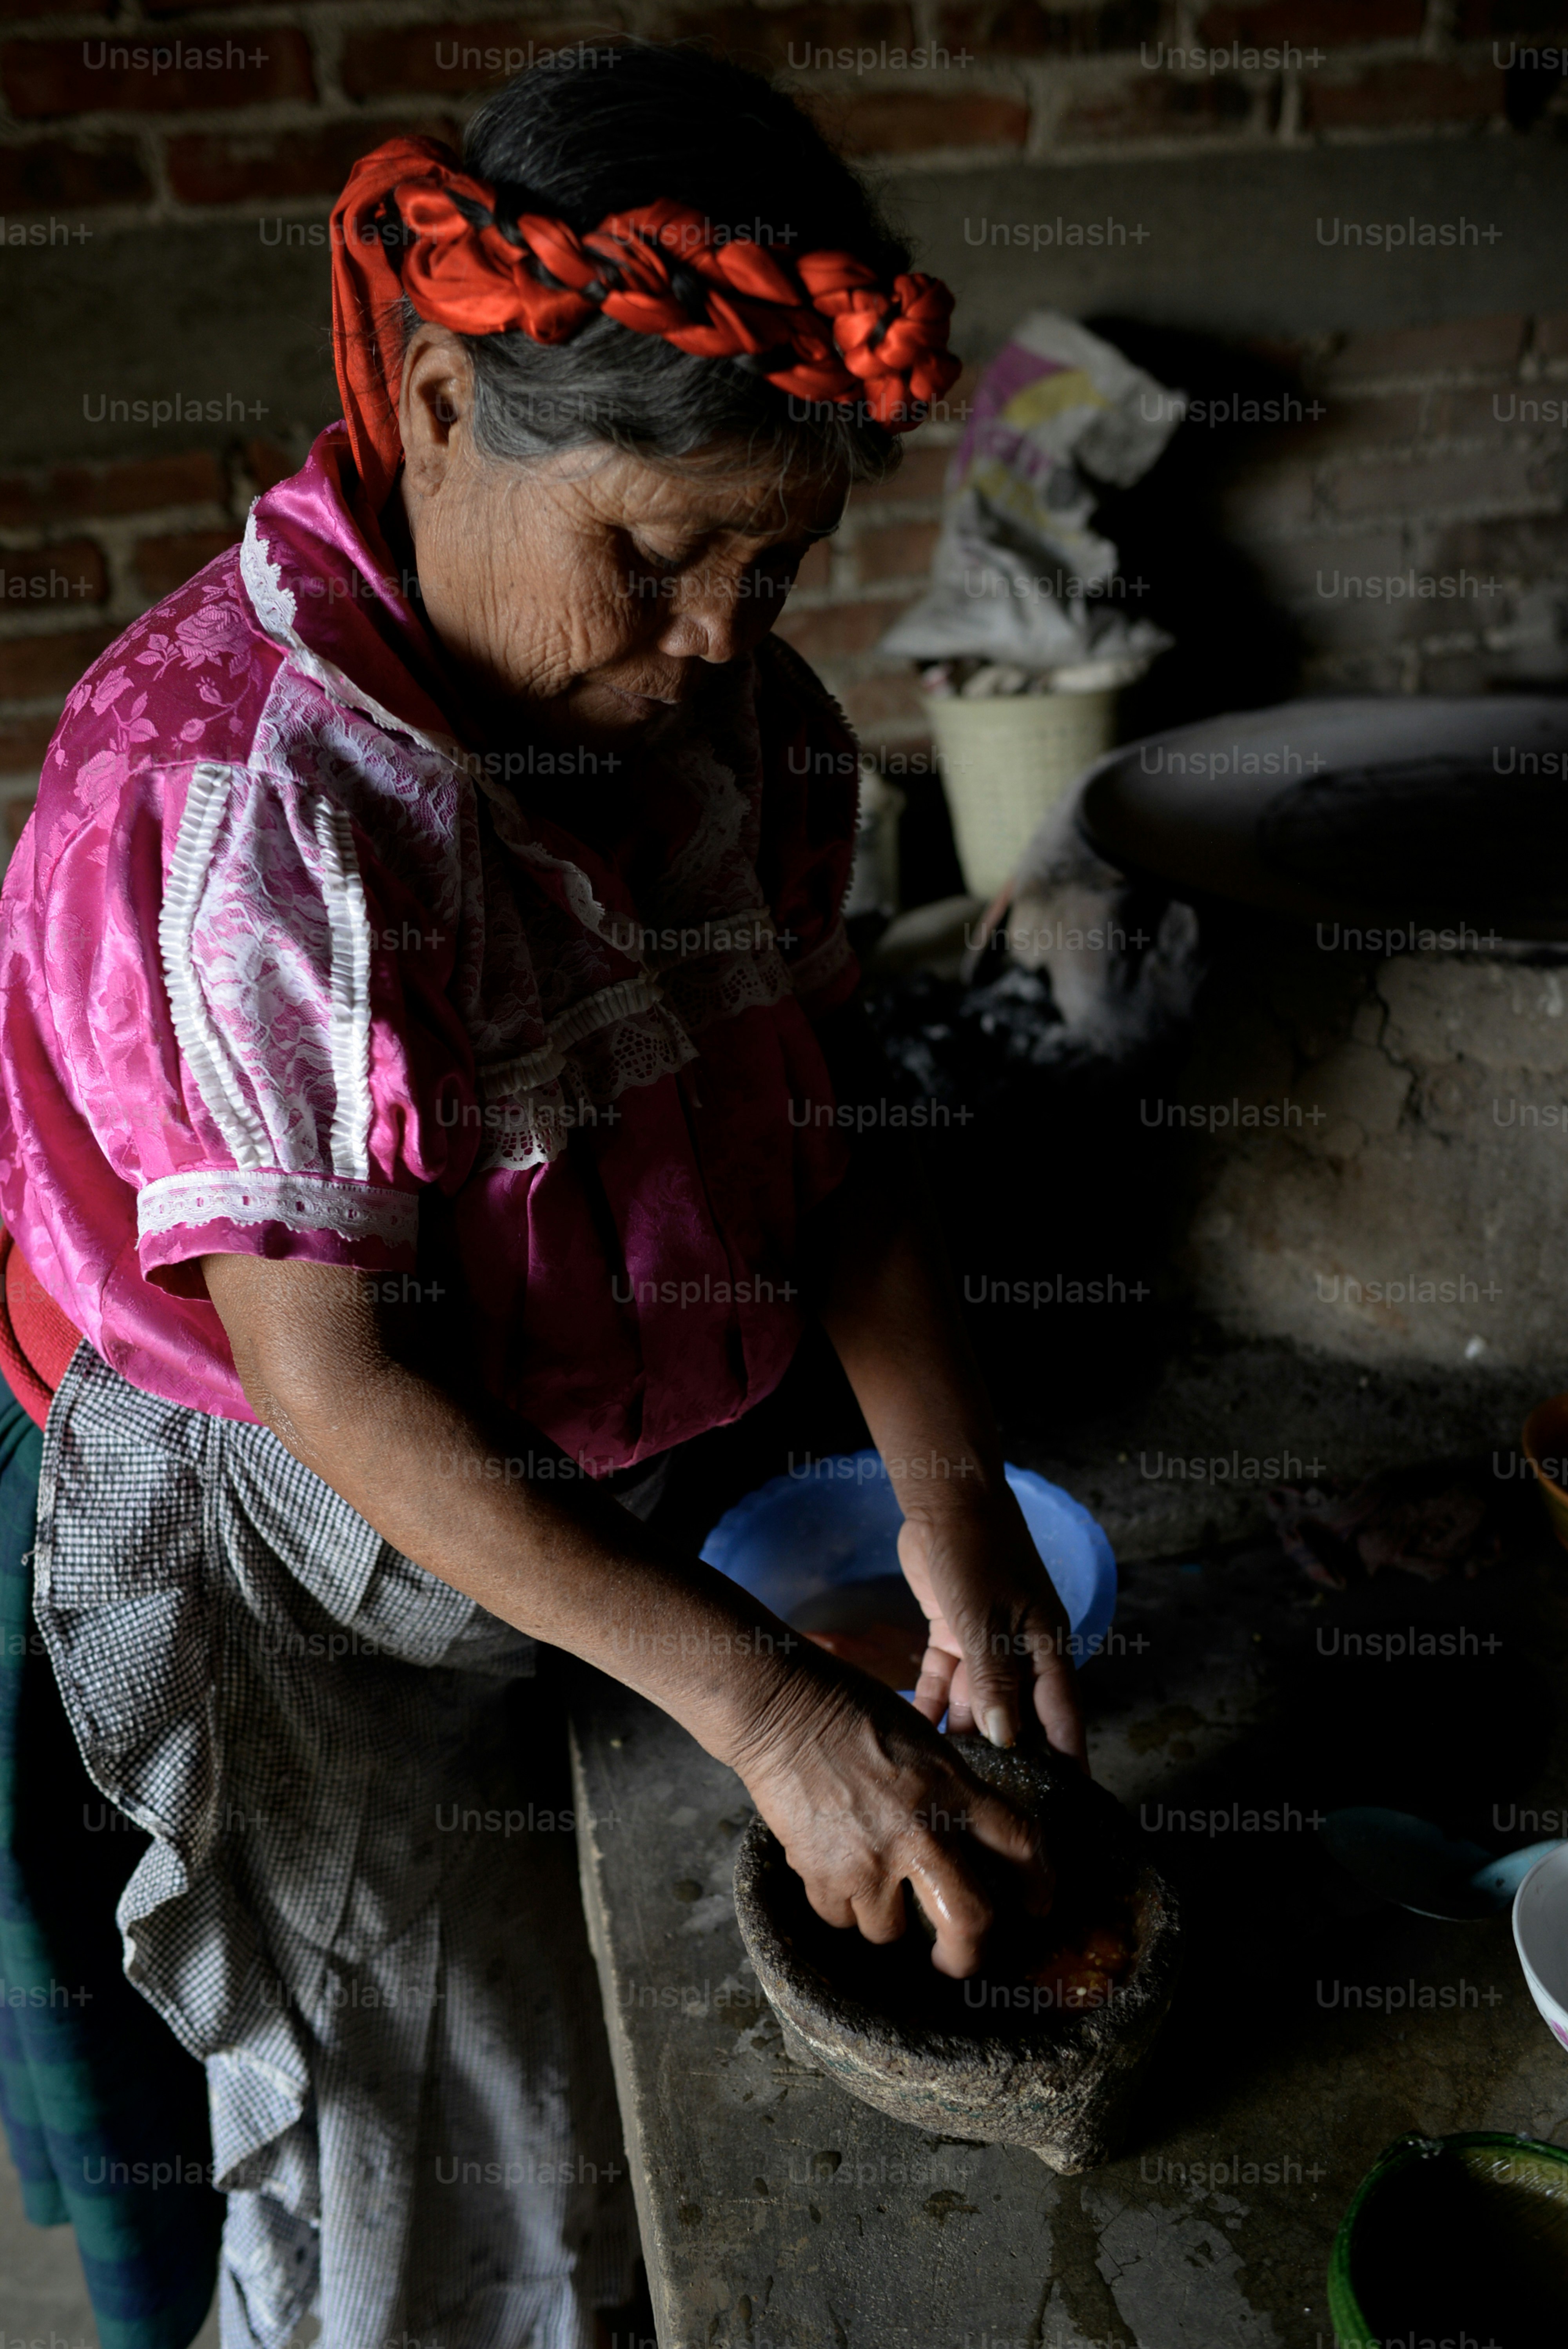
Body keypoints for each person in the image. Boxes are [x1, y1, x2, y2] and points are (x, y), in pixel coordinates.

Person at [0, 44, 1084, 2349]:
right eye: (657, 551)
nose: (715, 636)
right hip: (270, 1523)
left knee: (607, 2048)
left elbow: (827, 1151)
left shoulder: (740, 729)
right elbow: (335, 1379)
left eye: (774, 563)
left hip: (558, 1484)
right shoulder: (244, 805)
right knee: (387, 2153)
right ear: (435, 402)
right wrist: (782, 1717)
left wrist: (953, 1500)